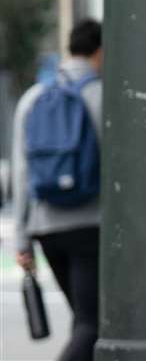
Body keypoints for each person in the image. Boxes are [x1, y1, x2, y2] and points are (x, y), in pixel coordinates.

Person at [12, 19, 104, 361]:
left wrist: (21, 238)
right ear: (101, 50)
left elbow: (22, 175)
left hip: (47, 228)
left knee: (85, 322)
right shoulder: (105, 96)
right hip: (92, 226)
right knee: (93, 326)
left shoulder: (33, 98)